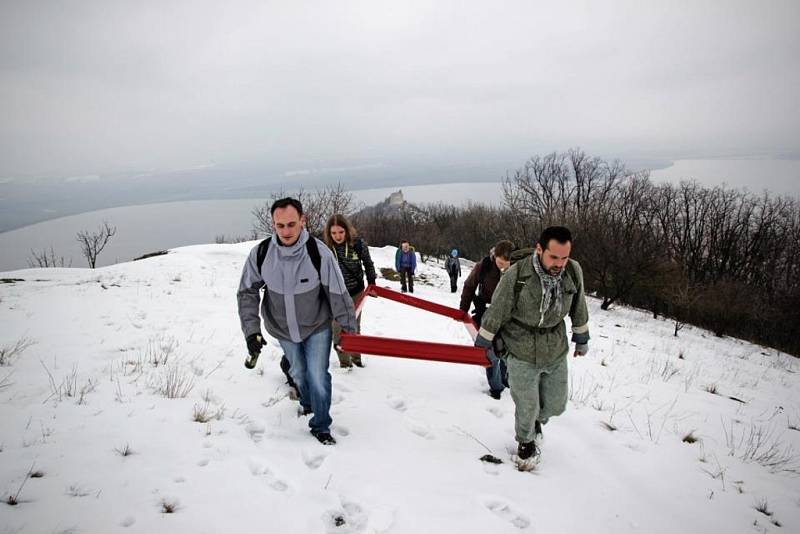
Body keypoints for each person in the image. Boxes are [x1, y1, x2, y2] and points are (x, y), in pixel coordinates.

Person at [237, 198, 357, 446]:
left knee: (317, 375)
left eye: (292, 224)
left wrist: (349, 330)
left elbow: (338, 293)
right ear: (273, 224)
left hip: (316, 326)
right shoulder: (261, 254)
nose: (286, 231)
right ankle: (307, 404)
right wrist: (251, 332)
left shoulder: (319, 253)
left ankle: (321, 425)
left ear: (303, 221)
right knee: (299, 372)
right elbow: (247, 293)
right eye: (280, 226)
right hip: (282, 328)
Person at [473, 226, 589, 467]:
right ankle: (526, 443)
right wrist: (484, 341)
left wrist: (581, 338)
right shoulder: (518, 274)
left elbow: (579, 306)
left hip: (554, 347)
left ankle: (537, 421)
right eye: (554, 257)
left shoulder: (573, 272)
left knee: (556, 405)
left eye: (564, 257)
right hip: (520, 347)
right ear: (539, 250)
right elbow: (498, 308)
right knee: (527, 404)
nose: (560, 263)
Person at [459, 239, 514, 399]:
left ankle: (505, 379)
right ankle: (496, 387)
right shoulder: (483, 266)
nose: (503, 266)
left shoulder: (518, 270)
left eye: (506, 263)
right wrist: (463, 309)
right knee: (490, 351)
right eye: (500, 262)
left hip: (508, 316)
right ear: (494, 256)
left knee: (505, 349)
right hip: (486, 314)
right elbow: (469, 286)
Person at [324, 213, 377, 368]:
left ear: (346, 230)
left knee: (354, 326)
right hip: (336, 294)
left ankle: (356, 357)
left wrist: (372, 283)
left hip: (356, 291)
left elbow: (368, 264)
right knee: (337, 328)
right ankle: (344, 363)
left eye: (341, 232)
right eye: (333, 233)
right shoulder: (326, 248)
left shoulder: (358, 244)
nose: (338, 236)